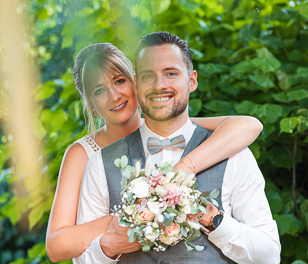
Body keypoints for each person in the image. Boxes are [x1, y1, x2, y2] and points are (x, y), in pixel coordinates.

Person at [46, 42, 264, 263]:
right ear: (91, 104)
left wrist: (185, 166)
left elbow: (248, 125)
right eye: (99, 91)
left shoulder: (168, 127)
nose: (114, 96)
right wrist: (138, 212)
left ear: (136, 83)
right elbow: (56, 247)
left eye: (119, 81)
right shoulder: (85, 155)